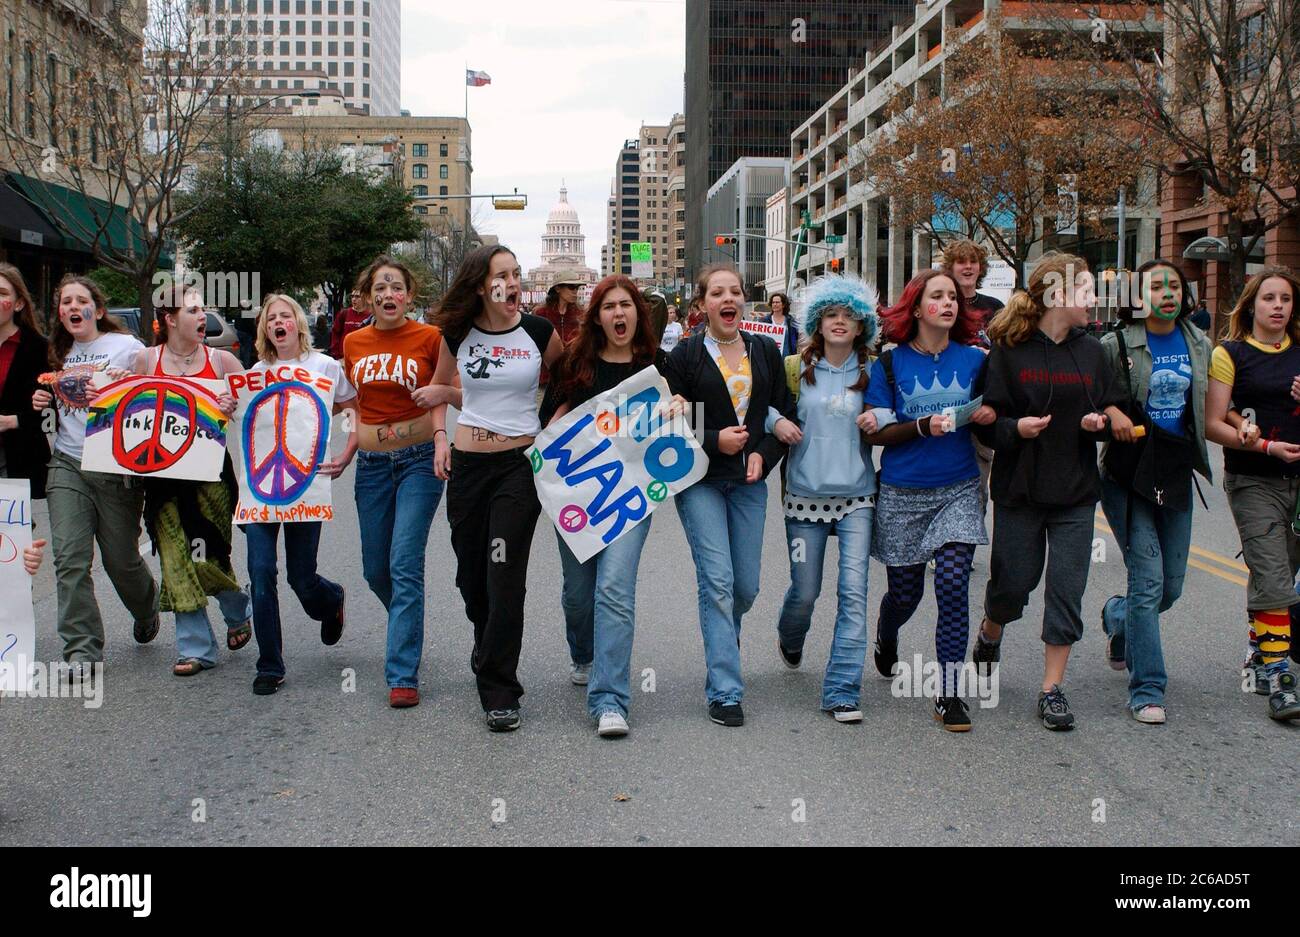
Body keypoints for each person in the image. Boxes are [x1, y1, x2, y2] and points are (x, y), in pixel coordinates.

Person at [971, 252, 1129, 730]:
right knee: (1013, 584)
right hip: (1020, 489)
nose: (1094, 299)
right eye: (1085, 289)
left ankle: (1051, 688)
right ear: (1058, 295)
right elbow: (985, 425)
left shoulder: (1092, 351)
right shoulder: (1008, 349)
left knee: (1066, 589)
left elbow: (1109, 406)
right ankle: (992, 628)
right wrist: (1015, 428)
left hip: (1076, 492)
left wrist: (1099, 422)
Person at [431, 245, 564, 732]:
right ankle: (484, 638)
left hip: (518, 467)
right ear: (481, 285)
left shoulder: (538, 332)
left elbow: (570, 378)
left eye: (515, 274)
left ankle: (500, 689)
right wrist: (441, 438)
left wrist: (551, 426)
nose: (511, 284)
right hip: (467, 466)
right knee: (472, 576)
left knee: (503, 571)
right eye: (501, 276)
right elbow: (438, 387)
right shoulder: (457, 334)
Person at [662, 263, 797, 727]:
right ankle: (724, 689)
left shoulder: (764, 351)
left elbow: (782, 411)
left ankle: (726, 638)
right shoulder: (684, 357)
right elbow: (665, 421)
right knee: (717, 581)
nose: (728, 298)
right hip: (700, 482)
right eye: (717, 292)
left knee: (745, 586)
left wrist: (764, 452)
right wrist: (713, 437)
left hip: (748, 484)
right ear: (701, 305)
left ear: (743, 301)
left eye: (735, 291)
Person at [862, 269, 996, 732]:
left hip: (958, 487)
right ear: (916, 307)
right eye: (937, 296)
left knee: (954, 583)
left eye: (953, 297)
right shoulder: (890, 364)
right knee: (906, 593)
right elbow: (879, 431)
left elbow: (995, 415)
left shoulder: (976, 361)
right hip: (902, 492)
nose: (948, 303)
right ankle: (887, 629)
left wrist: (991, 413)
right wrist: (923, 426)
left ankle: (949, 693)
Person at [540, 275, 667, 737]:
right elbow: (549, 425)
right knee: (579, 594)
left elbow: (682, 418)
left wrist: (680, 409)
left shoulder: (658, 367)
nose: (619, 314)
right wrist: (555, 424)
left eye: (627, 305)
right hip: (577, 495)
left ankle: (610, 699)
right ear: (597, 317)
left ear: (639, 313)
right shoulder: (576, 364)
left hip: (631, 495)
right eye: (609, 306)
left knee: (614, 588)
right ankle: (584, 652)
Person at [1097, 260, 1213, 725]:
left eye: (1175, 285)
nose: (1167, 292)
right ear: (1138, 296)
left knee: (1171, 587)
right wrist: (1111, 410)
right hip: (1128, 475)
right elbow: (1092, 394)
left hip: (1173, 472)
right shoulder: (1115, 344)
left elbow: (1212, 405)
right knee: (1147, 581)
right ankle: (1147, 689)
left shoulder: (1199, 343)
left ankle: (1118, 616)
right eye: (1156, 286)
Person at [768, 275, 881, 723]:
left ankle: (841, 690)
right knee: (806, 590)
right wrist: (776, 423)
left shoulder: (875, 373)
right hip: (804, 499)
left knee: (854, 592)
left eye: (849, 317)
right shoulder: (795, 368)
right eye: (831, 315)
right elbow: (764, 405)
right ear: (818, 323)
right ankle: (790, 636)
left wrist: (881, 414)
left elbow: (895, 409)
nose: (839, 322)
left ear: (861, 328)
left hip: (858, 497)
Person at [32, 275, 159, 666]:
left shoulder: (125, 346)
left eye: (80, 301)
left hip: (115, 467)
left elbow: (157, 387)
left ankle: (147, 607)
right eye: (65, 302)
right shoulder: (56, 352)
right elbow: (46, 401)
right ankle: (82, 649)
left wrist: (132, 379)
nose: (72, 307)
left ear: (98, 310)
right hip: (68, 464)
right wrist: (39, 400)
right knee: (69, 559)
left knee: (120, 559)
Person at [343, 256, 453, 708]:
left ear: (409, 296)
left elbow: (455, 389)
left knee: (404, 561)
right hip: (371, 466)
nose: (388, 294)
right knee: (375, 569)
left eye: (397, 287)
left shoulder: (430, 338)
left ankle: (402, 673)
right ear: (368, 297)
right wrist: (345, 447)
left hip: (419, 462)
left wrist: (443, 431)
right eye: (380, 288)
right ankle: (405, 623)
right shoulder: (352, 343)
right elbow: (351, 402)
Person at [242, 294, 358, 695]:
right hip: (260, 490)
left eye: (285, 316)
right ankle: (269, 665)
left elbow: (351, 407)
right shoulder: (256, 373)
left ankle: (331, 600)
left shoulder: (324, 366)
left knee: (301, 578)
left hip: (305, 485)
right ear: (265, 329)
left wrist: (344, 450)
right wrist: (228, 407)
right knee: (260, 572)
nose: (279, 322)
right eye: (270, 318)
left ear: (298, 323)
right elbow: (244, 421)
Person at [131, 287, 251, 676]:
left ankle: (236, 606)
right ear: (169, 319)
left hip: (210, 480)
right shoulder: (146, 360)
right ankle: (195, 648)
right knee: (174, 559)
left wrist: (232, 408)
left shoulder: (224, 361)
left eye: (204, 310)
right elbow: (126, 413)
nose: (203, 317)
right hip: (163, 483)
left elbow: (254, 415)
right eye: (194, 309)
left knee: (206, 557)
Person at [1204, 266, 1300, 722]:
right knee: (1275, 576)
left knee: (1277, 571)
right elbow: (1214, 423)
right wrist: (1258, 441)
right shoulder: (1231, 354)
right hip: (1253, 479)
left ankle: (1260, 652)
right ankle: (1282, 678)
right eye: (1269, 299)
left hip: (1297, 485)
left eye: (1285, 299)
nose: (1278, 306)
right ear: (1252, 305)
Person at [0, 264, 51, 498]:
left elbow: (52, 415)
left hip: (16, 460)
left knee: (10, 534)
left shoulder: (40, 349)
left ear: (19, 303)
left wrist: (15, 421)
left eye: (2, 293)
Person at [943, 239, 1003, 342]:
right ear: (950, 268)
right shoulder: (944, 306)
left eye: (973, 261)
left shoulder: (996, 306)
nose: (968, 266)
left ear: (980, 268)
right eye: (961, 262)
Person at [535, 271, 585, 391]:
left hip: (573, 379)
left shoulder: (580, 314)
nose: (575, 292)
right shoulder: (540, 313)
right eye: (571, 287)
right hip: (546, 380)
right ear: (558, 288)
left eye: (577, 288)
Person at [329, 290, 370, 359]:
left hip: (362, 358)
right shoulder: (344, 313)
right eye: (352, 296)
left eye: (357, 296)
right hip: (343, 357)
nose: (354, 299)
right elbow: (335, 333)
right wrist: (336, 354)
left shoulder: (370, 316)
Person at [761, 291, 799, 356]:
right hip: (770, 358)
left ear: (783, 305)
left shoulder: (790, 321)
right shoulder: (765, 321)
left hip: (787, 359)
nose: (775, 304)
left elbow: (797, 337)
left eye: (777, 302)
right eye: (773, 302)